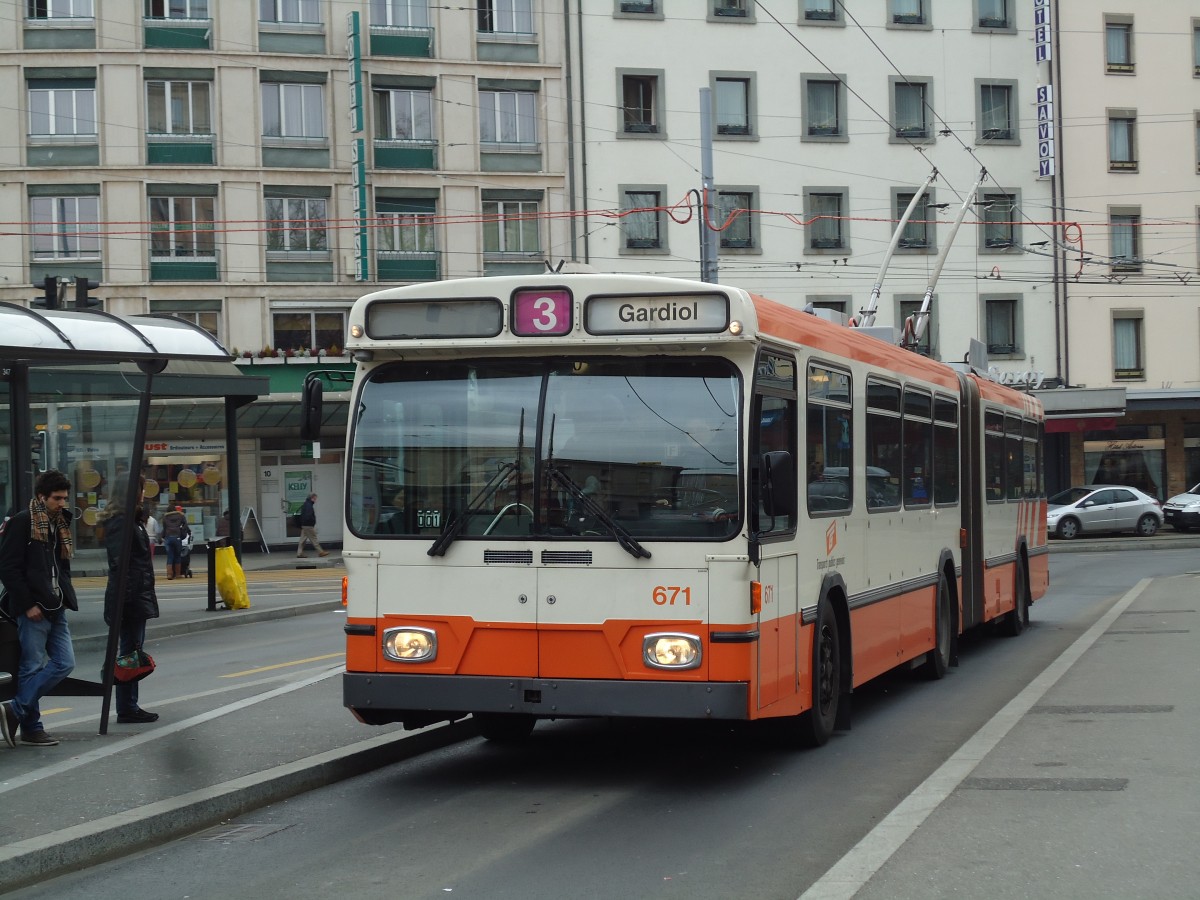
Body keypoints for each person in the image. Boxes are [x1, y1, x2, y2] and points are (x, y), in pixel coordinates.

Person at [0, 470, 78, 748]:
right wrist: (27, 604)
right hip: (33, 608)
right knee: (31, 667)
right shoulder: (22, 522)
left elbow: (62, 567)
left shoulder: (60, 523)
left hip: (56, 606)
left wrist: (65, 596)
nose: (62, 503)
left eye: (65, 498)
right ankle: (32, 729)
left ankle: (16, 709)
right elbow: (8, 568)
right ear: (41, 496)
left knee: (65, 663)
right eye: (57, 498)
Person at [97, 474, 160, 725]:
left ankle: (129, 705)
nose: (144, 494)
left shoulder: (130, 520)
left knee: (132, 651)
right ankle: (127, 707)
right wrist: (131, 599)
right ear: (133, 491)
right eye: (141, 489)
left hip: (134, 595)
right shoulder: (121, 522)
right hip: (131, 597)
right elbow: (120, 563)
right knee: (130, 653)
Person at [296, 493, 328, 558]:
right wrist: (312, 522)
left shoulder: (306, 504)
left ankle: (299, 553)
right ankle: (320, 552)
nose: (316, 500)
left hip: (304, 525)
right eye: (315, 499)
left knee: (302, 540)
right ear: (312, 498)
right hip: (308, 525)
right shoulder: (309, 505)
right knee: (314, 539)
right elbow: (308, 516)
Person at [160, 504, 188, 580]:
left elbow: (164, 528)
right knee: (177, 556)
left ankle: (169, 574)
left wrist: (161, 537)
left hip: (168, 538)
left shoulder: (165, 517)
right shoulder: (180, 516)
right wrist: (182, 532)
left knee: (170, 556)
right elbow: (185, 525)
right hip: (177, 537)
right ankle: (178, 574)